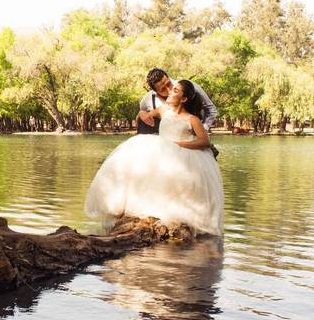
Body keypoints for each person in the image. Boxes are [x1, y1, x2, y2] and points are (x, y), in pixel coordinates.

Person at [85, 79, 224, 236]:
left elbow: (204, 141)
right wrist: (142, 113)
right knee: (136, 148)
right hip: (162, 150)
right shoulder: (164, 110)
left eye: (176, 91)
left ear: (184, 99)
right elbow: (144, 115)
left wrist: (178, 145)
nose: (170, 91)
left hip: (181, 151)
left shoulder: (192, 119)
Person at [137, 68, 217, 133]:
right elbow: (143, 117)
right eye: (163, 89)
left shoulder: (190, 87)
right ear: (156, 91)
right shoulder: (147, 100)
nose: (169, 90)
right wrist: (141, 113)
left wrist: (203, 129)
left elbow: (211, 109)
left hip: (192, 134)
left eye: (169, 84)